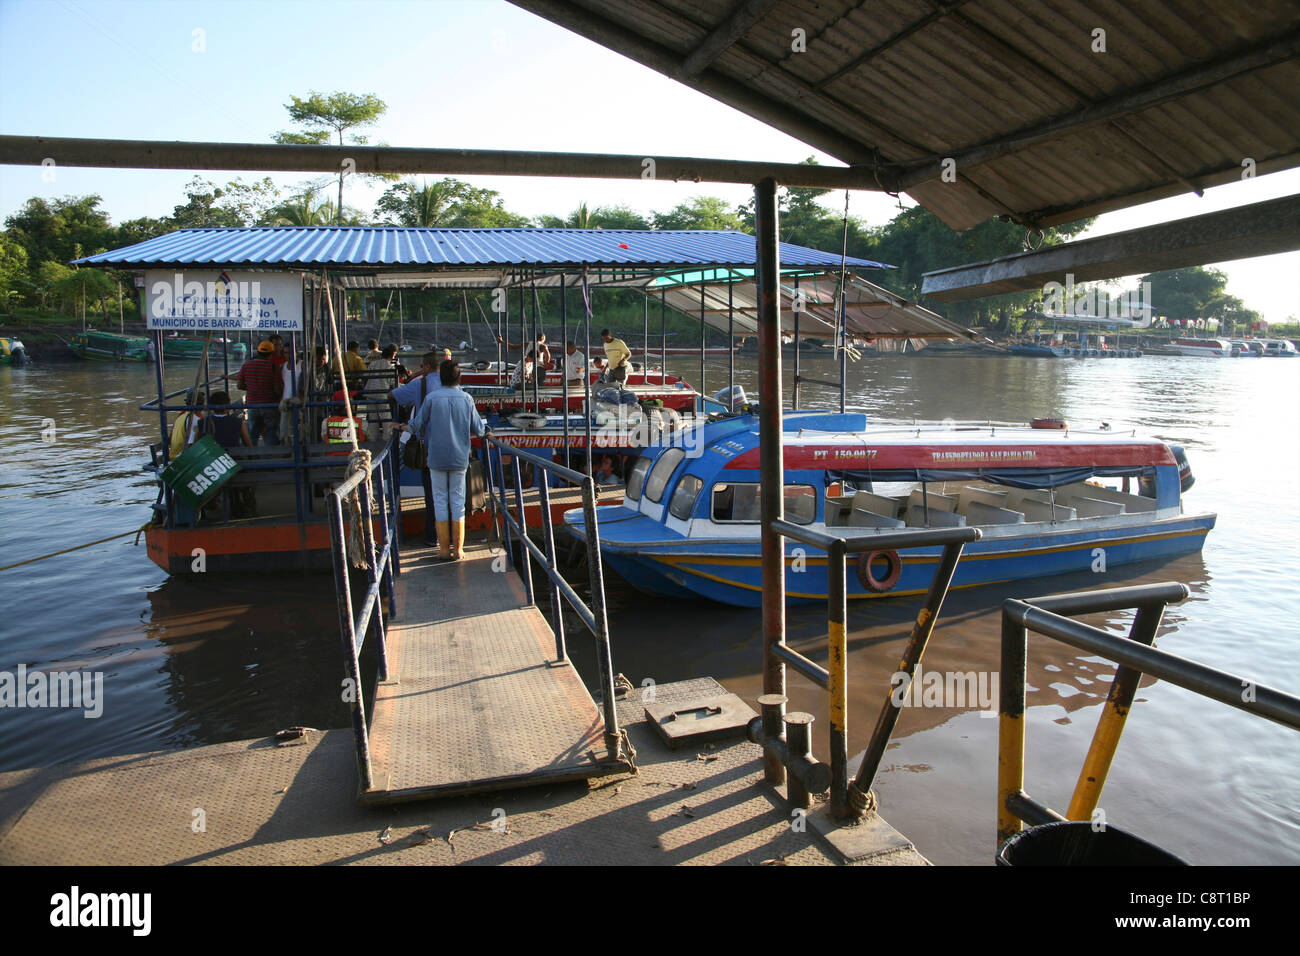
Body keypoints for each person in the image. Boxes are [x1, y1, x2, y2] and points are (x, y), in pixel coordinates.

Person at [400, 360, 486, 561]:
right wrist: (486, 432)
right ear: (459, 377)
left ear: (441, 377)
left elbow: (417, 424)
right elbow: (478, 429)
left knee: (439, 500)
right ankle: (459, 550)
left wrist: (403, 426)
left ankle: (444, 550)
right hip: (459, 458)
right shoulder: (466, 399)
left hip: (436, 458)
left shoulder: (431, 398)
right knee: (457, 501)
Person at [389, 351, 443, 545]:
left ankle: (432, 536)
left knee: (431, 494)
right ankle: (451, 539)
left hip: (427, 448)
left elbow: (393, 396)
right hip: (452, 450)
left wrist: (400, 423)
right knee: (450, 494)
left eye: (422, 366)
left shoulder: (419, 384)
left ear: (427, 366)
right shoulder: (453, 387)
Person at [235, 341, 283, 445]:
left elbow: (239, 385)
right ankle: (271, 457)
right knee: (271, 432)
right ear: (271, 353)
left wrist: (251, 388)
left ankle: (252, 456)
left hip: (252, 404)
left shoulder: (247, 365)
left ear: (258, 352)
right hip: (269, 404)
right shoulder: (273, 367)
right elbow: (277, 389)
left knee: (252, 433)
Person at [321, 389, 369, 454]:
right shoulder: (361, 423)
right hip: (355, 461)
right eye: (352, 401)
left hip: (332, 461)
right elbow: (368, 439)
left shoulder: (326, 422)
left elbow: (324, 438)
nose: (354, 404)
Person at [169, 390, 205, 459]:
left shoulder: (181, 416)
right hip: (181, 458)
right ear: (202, 404)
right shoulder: (194, 419)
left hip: (173, 455)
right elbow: (191, 445)